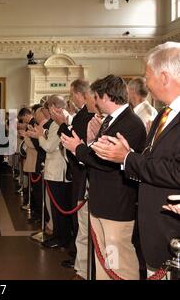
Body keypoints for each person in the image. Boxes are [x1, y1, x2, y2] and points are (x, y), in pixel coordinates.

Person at [91, 42, 180, 277]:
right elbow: (152, 160)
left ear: (164, 76)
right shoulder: (164, 114)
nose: (145, 82)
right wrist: (130, 155)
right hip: (155, 224)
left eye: (147, 75)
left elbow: (176, 171)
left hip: (171, 228)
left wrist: (127, 157)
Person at [61, 75, 147, 280]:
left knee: (118, 259)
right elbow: (98, 154)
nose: (95, 103)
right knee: (104, 257)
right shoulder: (110, 121)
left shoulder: (131, 123)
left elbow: (106, 161)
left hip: (116, 204)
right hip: (101, 200)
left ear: (106, 96)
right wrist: (86, 144)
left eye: (97, 98)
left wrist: (78, 148)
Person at [51, 79, 95, 277]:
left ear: (79, 94)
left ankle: (83, 266)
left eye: (72, 94)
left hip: (82, 175)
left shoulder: (84, 117)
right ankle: (81, 264)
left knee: (82, 226)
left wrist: (62, 124)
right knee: (81, 225)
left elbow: (74, 148)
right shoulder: (83, 116)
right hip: (79, 174)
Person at [27, 95, 73, 250]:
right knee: (55, 208)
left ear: (53, 107)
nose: (47, 113)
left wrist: (39, 135)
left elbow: (48, 147)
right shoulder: (57, 123)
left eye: (47, 109)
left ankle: (61, 238)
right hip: (55, 170)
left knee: (58, 208)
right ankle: (59, 236)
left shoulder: (57, 124)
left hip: (57, 171)